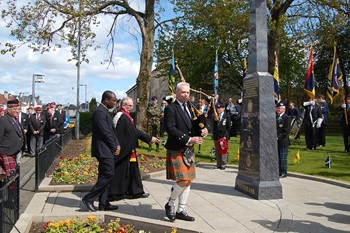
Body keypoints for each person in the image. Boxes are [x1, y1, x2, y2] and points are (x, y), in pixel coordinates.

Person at [164, 82, 208, 222]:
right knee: (183, 179)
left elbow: (194, 126)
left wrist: (203, 131)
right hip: (177, 147)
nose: (186, 95)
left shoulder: (191, 107)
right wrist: (189, 139)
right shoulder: (171, 108)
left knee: (188, 180)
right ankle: (170, 203)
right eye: (183, 92)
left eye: (188, 92)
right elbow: (170, 128)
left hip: (188, 149)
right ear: (176, 93)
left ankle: (180, 210)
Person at [108, 97, 159, 201]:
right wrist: (149, 138)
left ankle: (135, 191)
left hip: (128, 148)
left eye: (131, 106)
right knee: (121, 170)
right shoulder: (122, 117)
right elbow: (133, 132)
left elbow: (132, 131)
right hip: (124, 149)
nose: (131, 108)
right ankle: (115, 193)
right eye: (129, 106)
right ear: (123, 106)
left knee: (133, 170)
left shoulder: (125, 116)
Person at [82, 91, 120, 212]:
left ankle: (104, 203)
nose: (114, 103)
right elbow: (105, 132)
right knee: (109, 173)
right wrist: (114, 146)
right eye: (113, 100)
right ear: (106, 100)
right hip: (103, 149)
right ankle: (89, 198)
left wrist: (116, 144)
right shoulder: (99, 112)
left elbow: (111, 131)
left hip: (106, 148)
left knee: (104, 174)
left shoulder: (104, 112)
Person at [0, 99, 25, 180]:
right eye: (15, 109)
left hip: (15, 152)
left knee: (13, 176)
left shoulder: (15, 119)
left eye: (18, 109)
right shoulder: (3, 120)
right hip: (6, 152)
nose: (17, 111)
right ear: (9, 109)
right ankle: (8, 192)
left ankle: (12, 192)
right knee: (10, 178)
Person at [213, 100, 230, 170]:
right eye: (217, 108)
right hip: (217, 136)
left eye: (220, 108)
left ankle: (223, 164)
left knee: (223, 150)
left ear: (223, 108)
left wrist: (226, 136)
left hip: (223, 136)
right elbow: (213, 126)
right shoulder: (215, 116)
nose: (218, 109)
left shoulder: (227, 116)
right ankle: (218, 164)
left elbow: (228, 127)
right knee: (217, 150)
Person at [276, 102, 290, 178]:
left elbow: (286, 130)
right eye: (277, 108)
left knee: (282, 158)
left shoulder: (286, 117)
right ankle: (277, 172)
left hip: (283, 141)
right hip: (275, 142)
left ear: (283, 109)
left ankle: (283, 172)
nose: (277, 109)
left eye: (279, 108)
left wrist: (278, 137)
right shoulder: (275, 117)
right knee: (277, 158)